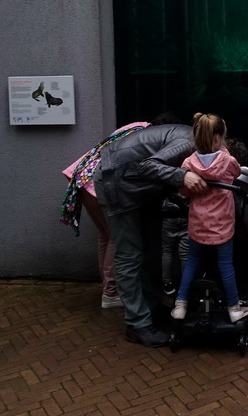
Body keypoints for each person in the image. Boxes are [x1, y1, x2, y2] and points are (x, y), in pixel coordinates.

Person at [94, 121, 199, 347]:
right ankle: (137, 324)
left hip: (128, 179)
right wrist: (183, 177)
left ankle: (150, 306)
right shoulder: (188, 142)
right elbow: (148, 165)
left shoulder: (189, 138)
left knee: (141, 249)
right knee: (128, 254)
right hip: (117, 181)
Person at [60, 113, 177, 309]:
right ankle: (112, 293)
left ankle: (108, 287)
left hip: (82, 178)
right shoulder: (151, 139)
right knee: (116, 238)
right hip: (99, 182)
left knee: (105, 236)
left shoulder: (136, 125)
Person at [172, 113, 248, 324]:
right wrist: (223, 150)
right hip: (222, 227)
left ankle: (180, 305)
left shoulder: (188, 163)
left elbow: (183, 190)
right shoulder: (227, 161)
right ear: (218, 138)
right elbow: (237, 172)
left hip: (198, 225)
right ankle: (234, 308)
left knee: (191, 263)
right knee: (226, 265)